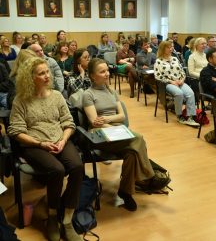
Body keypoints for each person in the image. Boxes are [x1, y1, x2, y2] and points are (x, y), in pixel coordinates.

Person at [8, 57, 83, 241]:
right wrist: (40, 143)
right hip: (34, 144)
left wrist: (64, 140)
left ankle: (66, 219)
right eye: (41, 73)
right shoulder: (21, 100)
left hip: (59, 140)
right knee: (57, 170)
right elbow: (16, 131)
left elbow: (69, 123)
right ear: (30, 77)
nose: (47, 75)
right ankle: (51, 216)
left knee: (77, 167)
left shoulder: (57, 96)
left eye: (47, 71)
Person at [82, 58, 169, 211]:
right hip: (99, 135)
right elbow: (94, 121)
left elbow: (122, 116)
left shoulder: (111, 91)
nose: (107, 74)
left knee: (131, 153)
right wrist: (110, 125)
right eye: (102, 72)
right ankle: (149, 177)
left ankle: (125, 191)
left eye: (107, 70)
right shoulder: (88, 94)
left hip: (115, 129)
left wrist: (108, 119)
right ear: (92, 76)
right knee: (139, 138)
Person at [154, 40, 199, 126]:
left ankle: (190, 117)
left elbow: (182, 71)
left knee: (190, 93)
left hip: (179, 81)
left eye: (171, 47)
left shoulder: (175, 59)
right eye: (168, 47)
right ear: (163, 49)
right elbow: (158, 76)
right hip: (168, 83)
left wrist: (182, 79)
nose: (171, 49)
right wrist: (171, 81)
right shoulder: (158, 61)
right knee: (179, 93)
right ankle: (179, 115)